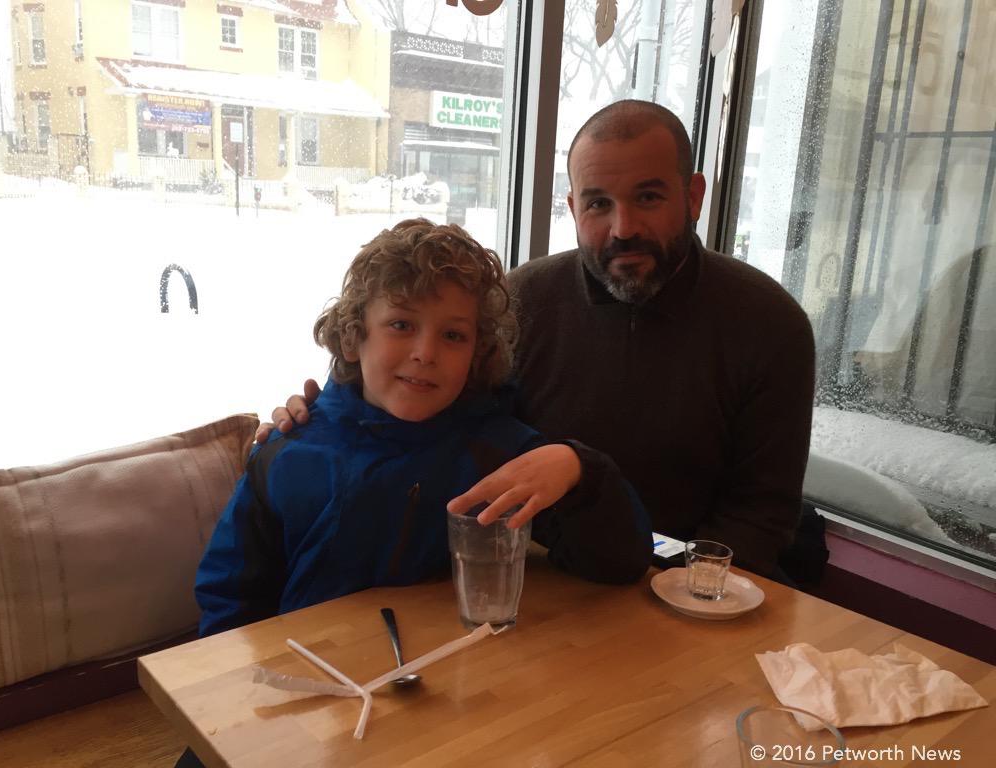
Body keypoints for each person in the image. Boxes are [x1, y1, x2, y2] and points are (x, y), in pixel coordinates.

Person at [261, 101, 816, 579]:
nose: (622, 226)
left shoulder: (769, 324)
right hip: (539, 581)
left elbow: (760, 515)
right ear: (573, 208)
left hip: (695, 596)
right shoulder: (520, 301)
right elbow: (421, 402)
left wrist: (677, 592)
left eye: (648, 197)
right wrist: (317, 416)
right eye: (598, 203)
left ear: (693, 196)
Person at [195, 218, 651, 638]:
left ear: (478, 353)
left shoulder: (498, 455)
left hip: (450, 682)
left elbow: (619, 562)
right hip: (309, 685)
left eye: (453, 335)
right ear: (354, 338)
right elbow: (231, 596)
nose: (425, 352)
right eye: (401, 324)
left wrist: (578, 469)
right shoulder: (290, 452)